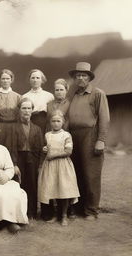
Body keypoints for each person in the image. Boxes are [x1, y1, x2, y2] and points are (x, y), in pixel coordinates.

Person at [68, 62, 110, 220]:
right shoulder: (74, 95)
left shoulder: (98, 94)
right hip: (74, 136)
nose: (80, 78)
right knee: (77, 172)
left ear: (89, 78)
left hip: (90, 136)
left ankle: (91, 210)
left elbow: (104, 118)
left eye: (83, 75)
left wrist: (101, 140)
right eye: (77, 75)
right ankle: (79, 208)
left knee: (91, 174)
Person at [38, 110, 80, 226]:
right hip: (50, 166)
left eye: (58, 121)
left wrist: (54, 155)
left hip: (63, 165)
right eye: (53, 121)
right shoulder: (47, 135)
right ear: (50, 122)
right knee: (52, 189)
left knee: (63, 190)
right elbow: (46, 148)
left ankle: (64, 215)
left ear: (63, 122)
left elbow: (68, 151)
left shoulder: (66, 135)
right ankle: (55, 215)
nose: (56, 123)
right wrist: (45, 149)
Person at [11, 98, 44, 219]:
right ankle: (20, 212)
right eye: (24, 108)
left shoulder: (37, 129)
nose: (26, 111)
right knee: (19, 184)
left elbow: (40, 148)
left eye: (29, 108)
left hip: (33, 159)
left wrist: (40, 164)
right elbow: (12, 146)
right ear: (19, 110)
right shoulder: (14, 128)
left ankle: (32, 212)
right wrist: (14, 163)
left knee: (32, 184)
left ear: (32, 110)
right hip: (19, 157)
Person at [0, 69, 21, 151]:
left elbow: (20, 114)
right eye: (3, 79)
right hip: (0, 127)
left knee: (14, 148)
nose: (5, 81)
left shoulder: (18, 97)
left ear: (11, 80)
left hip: (15, 126)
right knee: (0, 149)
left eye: (7, 79)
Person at [22, 69, 54, 134]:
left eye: (37, 78)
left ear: (42, 80)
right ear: (29, 80)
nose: (35, 80)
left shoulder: (49, 96)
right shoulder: (24, 96)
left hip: (44, 124)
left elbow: (52, 114)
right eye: (33, 78)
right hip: (30, 123)